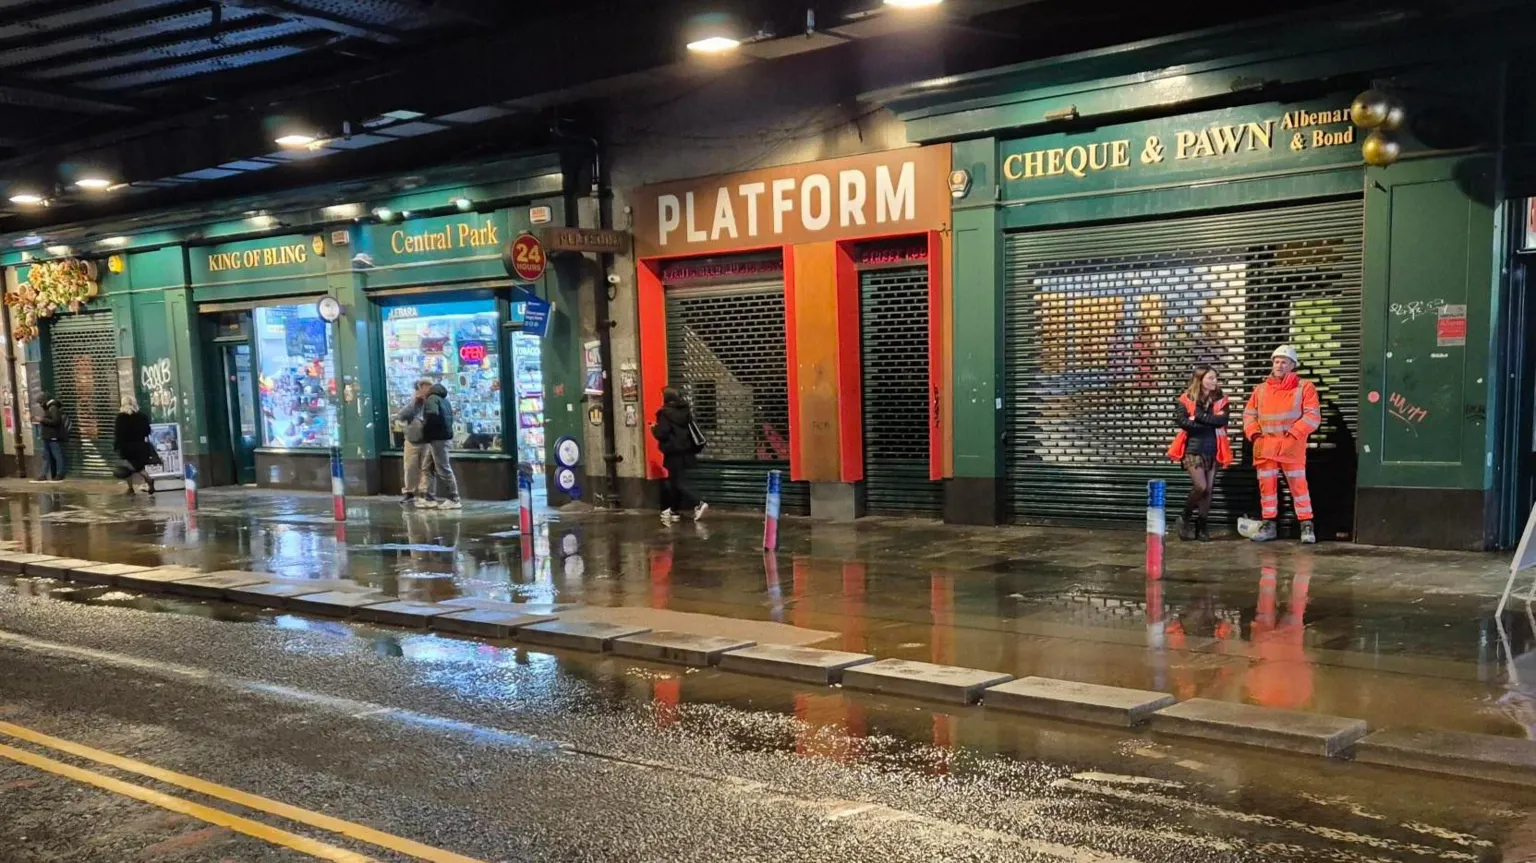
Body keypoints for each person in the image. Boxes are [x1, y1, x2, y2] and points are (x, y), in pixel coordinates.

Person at [1242, 345, 1321, 544]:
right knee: (1266, 489)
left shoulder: (1305, 387)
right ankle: (1268, 526)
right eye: (1276, 361)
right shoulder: (1260, 389)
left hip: (1290, 446)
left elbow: (1313, 416)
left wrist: (1294, 433)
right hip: (1266, 447)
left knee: (1299, 487)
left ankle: (1306, 525)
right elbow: (1249, 415)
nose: (1279, 365)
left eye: (1284, 362)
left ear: (1293, 365)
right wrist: (1254, 435)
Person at [1168, 365, 1232, 541]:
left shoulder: (1220, 399)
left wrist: (1198, 418)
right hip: (1193, 449)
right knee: (1200, 486)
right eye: (1210, 378)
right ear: (1200, 379)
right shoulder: (1186, 398)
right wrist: (1208, 422)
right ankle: (1185, 516)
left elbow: (1222, 421)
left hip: (1213, 448)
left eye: (1215, 378)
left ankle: (1202, 523)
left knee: (1209, 490)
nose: (1214, 381)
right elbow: (1183, 422)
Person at [651, 387, 707, 524]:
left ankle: (698, 503)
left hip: (674, 452)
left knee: (678, 481)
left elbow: (662, 433)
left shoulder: (664, 413)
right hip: (686, 451)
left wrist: (653, 428)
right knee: (676, 481)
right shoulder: (685, 411)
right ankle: (673, 511)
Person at [420, 381, 461, 509]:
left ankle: (454, 498)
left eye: (421, 388)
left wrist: (425, 432)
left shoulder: (431, 399)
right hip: (442, 437)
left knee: (443, 468)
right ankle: (429, 497)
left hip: (437, 438)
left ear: (426, 388)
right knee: (428, 466)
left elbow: (432, 417)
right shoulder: (444, 400)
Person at [397, 380, 434, 507]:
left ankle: (425, 492)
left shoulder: (432, 401)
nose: (425, 390)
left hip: (427, 440)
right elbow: (401, 416)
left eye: (427, 387)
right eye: (423, 387)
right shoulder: (413, 402)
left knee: (427, 468)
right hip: (412, 440)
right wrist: (415, 403)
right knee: (410, 468)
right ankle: (409, 493)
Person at [113, 396, 158, 495]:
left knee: (131, 468)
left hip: (126, 448)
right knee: (135, 466)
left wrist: (116, 446)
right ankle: (133, 487)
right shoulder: (142, 417)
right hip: (141, 447)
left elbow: (118, 434)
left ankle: (143, 482)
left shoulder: (120, 418)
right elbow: (147, 431)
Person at [35, 392, 66, 483]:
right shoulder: (49, 408)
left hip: (52, 436)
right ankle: (43, 475)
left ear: (45, 401)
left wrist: (42, 420)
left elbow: (56, 421)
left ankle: (60, 474)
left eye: (41, 403)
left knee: (57, 455)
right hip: (47, 437)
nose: (40, 405)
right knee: (46, 456)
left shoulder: (53, 408)